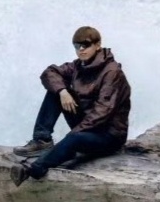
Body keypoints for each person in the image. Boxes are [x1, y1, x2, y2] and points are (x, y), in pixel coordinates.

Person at [11, 25, 131, 185]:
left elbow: (103, 112)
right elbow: (49, 73)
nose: (81, 50)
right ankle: (42, 141)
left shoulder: (112, 72)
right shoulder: (78, 66)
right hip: (87, 127)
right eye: (77, 46)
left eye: (85, 45)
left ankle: (32, 169)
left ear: (97, 45)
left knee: (74, 139)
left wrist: (72, 137)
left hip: (109, 136)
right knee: (56, 91)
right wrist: (62, 92)